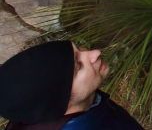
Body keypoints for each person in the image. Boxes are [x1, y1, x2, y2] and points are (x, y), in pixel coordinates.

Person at [0, 40, 142, 130]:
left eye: (79, 49)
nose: (95, 53)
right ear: (59, 101)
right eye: (79, 66)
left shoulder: (89, 101)